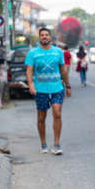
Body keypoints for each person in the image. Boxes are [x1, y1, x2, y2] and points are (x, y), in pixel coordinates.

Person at [25, 27, 71, 155]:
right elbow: (29, 71)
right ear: (39, 38)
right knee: (41, 117)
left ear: (50, 38)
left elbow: (63, 70)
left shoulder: (58, 52)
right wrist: (31, 85)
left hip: (57, 88)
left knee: (57, 113)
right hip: (40, 90)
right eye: (42, 35)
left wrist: (67, 86)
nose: (44, 37)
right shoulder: (33, 53)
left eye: (47, 35)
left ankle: (56, 144)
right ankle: (43, 143)